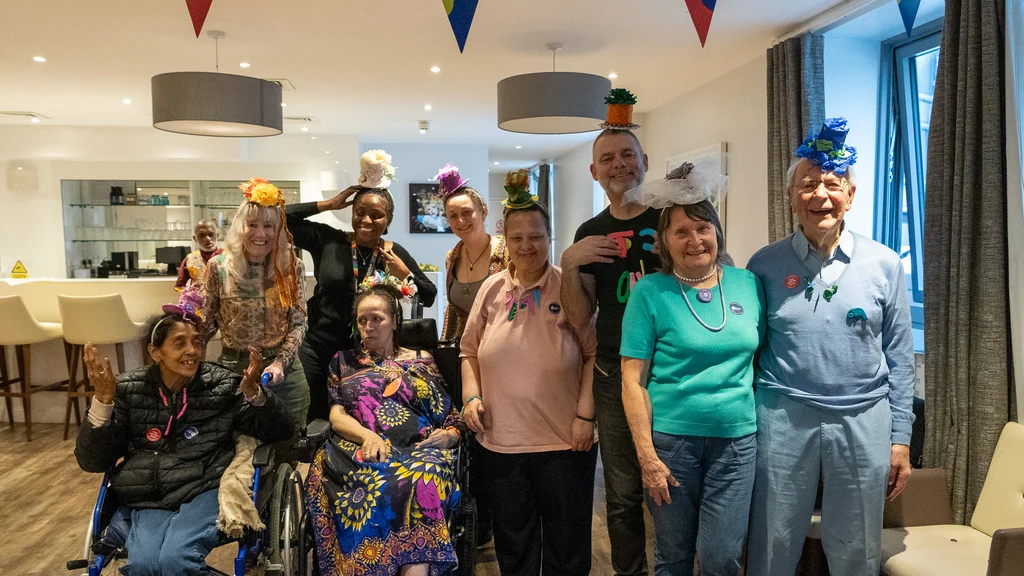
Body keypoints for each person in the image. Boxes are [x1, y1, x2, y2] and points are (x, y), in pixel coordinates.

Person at [745, 118, 915, 576]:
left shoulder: (884, 264)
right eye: (807, 185)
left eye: (833, 184)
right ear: (790, 197)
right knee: (772, 538)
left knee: (856, 544)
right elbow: (750, 347)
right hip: (782, 415)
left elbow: (899, 355)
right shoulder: (763, 264)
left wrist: (901, 437)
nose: (820, 195)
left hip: (864, 419)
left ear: (851, 196)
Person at [74, 291, 294, 574]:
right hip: (149, 495)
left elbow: (281, 430)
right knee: (142, 565)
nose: (192, 351)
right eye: (179, 343)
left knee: (176, 560)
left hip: (204, 488)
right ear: (155, 352)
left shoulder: (223, 385)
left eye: (197, 343)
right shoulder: (128, 390)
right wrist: (103, 402)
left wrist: (256, 396)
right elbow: (93, 461)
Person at [619, 163, 763, 575]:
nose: (694, 240)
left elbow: (763, 356)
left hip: (736, 445)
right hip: (671, 446)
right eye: (681, 231)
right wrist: (646, 456)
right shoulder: (650, 292)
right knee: (674, 555)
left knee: (721, 557)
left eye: (703, 228)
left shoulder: (748, 284)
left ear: (716, 232)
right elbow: (632, 381)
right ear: (663, 241)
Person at [461, 172, 598, 576]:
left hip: (564, 441)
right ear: (506, 239)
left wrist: (585, 417)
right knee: (514, 542)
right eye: (517, 238)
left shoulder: (568, 286)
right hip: (502, 442)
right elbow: (468, 351)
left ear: (549, 236)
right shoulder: (490, 290)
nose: (527, 246)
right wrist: (471, 396)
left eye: (536, 236)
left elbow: (593, 354)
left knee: (567, 545)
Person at [305, 283, 462, 576]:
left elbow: (450, 416)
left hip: (417, 449)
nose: (368, 327)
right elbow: (336, 414)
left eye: (377, 318)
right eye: (362, 320)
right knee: (372, 484)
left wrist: (451, 435)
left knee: (422, 477)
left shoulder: (421, 360)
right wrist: (368, 435)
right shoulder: (342, 361)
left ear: (395, 321)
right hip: (357, 448)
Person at [561, 126, 660, 576]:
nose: (619, 164)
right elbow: (581, 319)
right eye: (608, 158)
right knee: (622, 497)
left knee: (673, 487)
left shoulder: (671, 219)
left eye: (627, 155)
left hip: (671, 373)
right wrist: (570, 262)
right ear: (594, 171)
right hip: (613, 374)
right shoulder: (590, 233)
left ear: (644, 160)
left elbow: (718, 272)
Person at [287, 149, 438, 423]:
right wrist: (328, 204)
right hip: (319, 350)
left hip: (367, 356)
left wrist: (406, 275)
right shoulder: (329, 241)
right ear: (352, 213)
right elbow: (281, 218)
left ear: (388, 221)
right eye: (360, 213)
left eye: (377, 215)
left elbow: (429, 296)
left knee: (359, 419)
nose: (367, 221)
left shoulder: (395, 254)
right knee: (314, 419)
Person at [202, 178, 310, 425]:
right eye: (252, 224)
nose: (261, 233)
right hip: (232, 372)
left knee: (289, 446)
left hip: (284, 374)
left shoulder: (292, 268)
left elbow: (298, 324)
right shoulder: (218, 268)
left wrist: (280, 363)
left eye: (269, 226)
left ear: (279, 230)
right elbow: (205, 325)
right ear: (241, 227)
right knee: (237, 448)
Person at [433, 163, 508, 342]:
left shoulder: (506, 251)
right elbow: (453, 312)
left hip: (502, 348)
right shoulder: (452, 257)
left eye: (467, 212)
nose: (460, 221)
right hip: (464, 351)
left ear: (483, 212)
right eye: (452, 215)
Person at [174, 218, 222, 290]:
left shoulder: (229, 257)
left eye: (211, 234)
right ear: (195, 238)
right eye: (202, 235)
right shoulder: (189, 260)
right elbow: (182, 287)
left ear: (217, 235)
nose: (207, 239)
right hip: (199, 300)